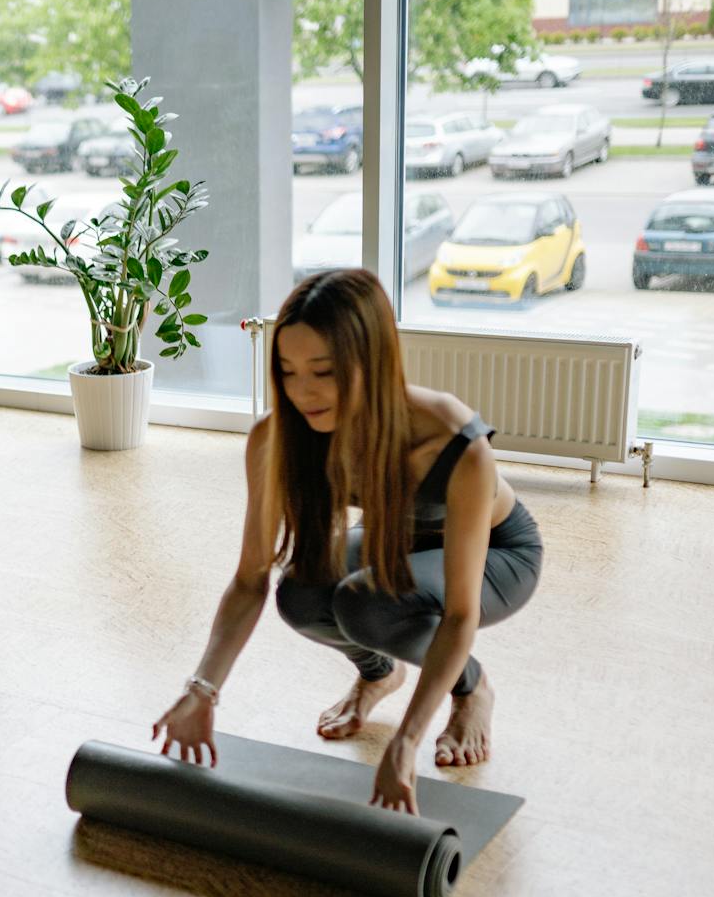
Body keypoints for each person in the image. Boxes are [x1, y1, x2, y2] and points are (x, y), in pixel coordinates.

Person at [151, 268, 543, 813]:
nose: (302, 392)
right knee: (303, 593)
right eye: (287, 371)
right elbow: (249, 580)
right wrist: (202, 690)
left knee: (367, 607)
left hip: (497, 553)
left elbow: (460, 614)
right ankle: (378, 675)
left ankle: (472, 689)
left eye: (324, 371)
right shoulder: (277, 435)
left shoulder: (449, 438)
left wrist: (405, 743)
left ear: (373, 362)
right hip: (394, 535)